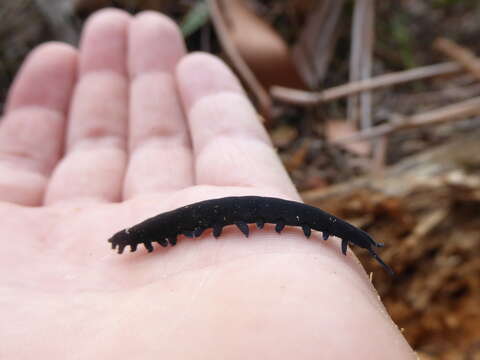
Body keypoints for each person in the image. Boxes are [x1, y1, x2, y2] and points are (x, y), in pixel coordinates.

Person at [0, 8, 415, 359]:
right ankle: (133, 237)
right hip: (177, 227)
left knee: (269, 215)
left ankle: (363, 242)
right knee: (243, 215)